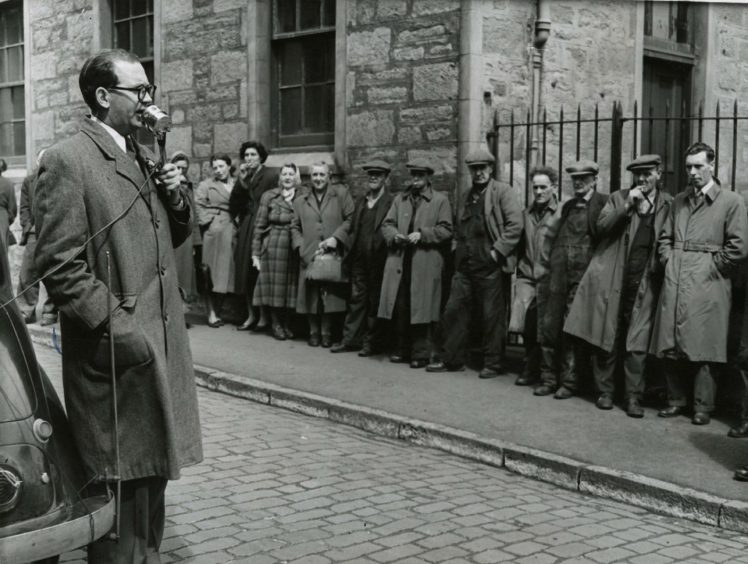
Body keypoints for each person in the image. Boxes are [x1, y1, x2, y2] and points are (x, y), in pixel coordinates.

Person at [32, 48, 202, 562]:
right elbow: (59, 266)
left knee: (151, 484)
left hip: (158, 349)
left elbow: (169, 234)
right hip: (117, 356)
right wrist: (122, 328)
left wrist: (175, 197)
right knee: (121, 493)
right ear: (104, 97)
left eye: (150, 90)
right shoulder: (69, 160)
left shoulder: (141, 152)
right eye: (140, 92)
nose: (150, 101)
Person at [564, 155, 673, 417]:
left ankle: (633, 397)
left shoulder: (668, 203)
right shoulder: (618, 197)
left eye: (647, 173)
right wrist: (627, 205)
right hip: (615, 276)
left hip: (646, 279)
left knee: (637, 342)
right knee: (608, 336)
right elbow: (601, 226)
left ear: (658, 173)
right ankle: (606, 392)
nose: (642, 179)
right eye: (638, 174)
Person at [652, 142, 748, 425]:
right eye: (688, 167)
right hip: (677, 275)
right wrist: (668, 258)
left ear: (711, 166)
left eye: (698, 166)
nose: (692, 172)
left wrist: (713, 266)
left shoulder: (731, 201)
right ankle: (675, 399)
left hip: (709, 280)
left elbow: (739, 247)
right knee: (670, 340)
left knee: (706, 343)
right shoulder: (679, 201)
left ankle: (703, 407)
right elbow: (665, 238)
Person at [427, 148, 523, 377]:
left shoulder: (503, 192)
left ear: (490, 169)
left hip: (490, 264)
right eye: (475, 169)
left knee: (492, 315)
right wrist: (456, 253)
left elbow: (515, 226)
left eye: (483, 168)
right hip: (465, 264)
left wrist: (496, 253)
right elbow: (458, 229)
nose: (479, 173)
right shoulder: (466, 196)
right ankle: (452, 359)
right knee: (454, 311)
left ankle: (493, 362)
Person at [534, 160, 608, 399]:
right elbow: (549, 238)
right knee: (549, 326)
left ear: (594, 179)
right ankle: (548, 378)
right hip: (558, 275)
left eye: (584, 178)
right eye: (575, 178)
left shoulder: (601, 205)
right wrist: (544, 268)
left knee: (571, 330)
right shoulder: (566, 208)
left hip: (584, 278)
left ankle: (569, 382)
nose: (579, 182)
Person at [379, 158, 453, 369]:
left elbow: (447, 229)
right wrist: (394, 236)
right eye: (413, 175)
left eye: (420, 175)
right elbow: (387, 224)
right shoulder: (400, 199)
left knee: (422, 308)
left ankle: (420, 353)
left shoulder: (440, 201)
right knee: (401, 305)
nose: (416, 179)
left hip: (425, 261)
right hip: (402, 260)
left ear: (428, 177)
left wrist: (422, 235)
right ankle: (402, 349)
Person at [330, 160, 394, 356]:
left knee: (375, 302)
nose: (373, 177)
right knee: (356, 299)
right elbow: (351, 226)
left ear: (385, 178)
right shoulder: (361, 201)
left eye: (378, 174)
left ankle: (371, 343)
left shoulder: (391, 202)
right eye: (371, 174)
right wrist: (336, 238)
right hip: (359, 259)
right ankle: (350, 340)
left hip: (379, 259)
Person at [291, 162, 354, 348]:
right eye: (315, 175)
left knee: (329, 293)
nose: (318, 179)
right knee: (310, 294)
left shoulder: (341, 195)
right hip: (309, 252)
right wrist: (301, 247)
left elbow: (351, 219)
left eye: (322, 175)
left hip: (331, 252)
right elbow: (294, 226)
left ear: (329, 176)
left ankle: (326, 332)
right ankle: (313, 332)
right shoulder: (300, 201)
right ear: (310, 178)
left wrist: (337, 238)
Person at [511, 166, 561, 387]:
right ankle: (530, 367)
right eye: (535, 187)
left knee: (547, 328)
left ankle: (548, 373)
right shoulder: (526, 214)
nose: (539, 191)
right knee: (527, 325)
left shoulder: (561, 212)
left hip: (550, 278)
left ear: (553, 187)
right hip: (528, 275)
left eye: (543, 187)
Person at [231, 141, 277, 331]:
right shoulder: (244, 176)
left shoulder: (270, 175)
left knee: (260, 273)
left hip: (263, 225)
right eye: (247, 155)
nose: (249, 159)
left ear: (261, 157)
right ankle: (251, 315)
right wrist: (241, 182)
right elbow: (234, 205)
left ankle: (265, 317)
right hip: (247, 226)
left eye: (253, 155)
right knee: (245, 273)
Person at [252, 163, 301, 339]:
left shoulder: (303, 196)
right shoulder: (269, 196)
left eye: (291, 174)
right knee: (274, 287)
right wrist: (255, 253)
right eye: (284, 174)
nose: (287, 177)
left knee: (289, 286)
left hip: (293, 245)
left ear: (296, 177)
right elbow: (259, 225)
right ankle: (276, 323)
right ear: (280, 177)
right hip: (273, 244)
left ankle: (287, 323)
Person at [16, 149, 59, 326]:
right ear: (36, 162)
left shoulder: (59, 179)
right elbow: (24, 207)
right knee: (27, 272)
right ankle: (26, 311)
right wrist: (27, 226)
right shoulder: (29, 181)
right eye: (40, 160)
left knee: (55, 271)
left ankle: (51, 312)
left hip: (54, 231)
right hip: (35, 231)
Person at [195, 154, 237, 327]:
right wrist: (210, 221)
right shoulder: (206, 185)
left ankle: (218, 311)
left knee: (226, 275)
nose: (218, 170)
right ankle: (211, 312)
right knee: (210, 274)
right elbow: (197, 205)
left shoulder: (236, 184)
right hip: (215, 232)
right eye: (215, 167)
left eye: (221, 166)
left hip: (233, 230)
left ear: (228, 166)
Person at [170, 151, 198, 326]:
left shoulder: (189, 186)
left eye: (184, 169)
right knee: (173, 275)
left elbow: (193, 213)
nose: (181, 171)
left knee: (185, 275)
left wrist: (196, 242)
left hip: (186, 238)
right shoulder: (167, 184)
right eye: (177, 167)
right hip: (173, 236)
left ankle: (182, 313)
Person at [0, 158, 16, 252]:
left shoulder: (8, 184)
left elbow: (12, 209)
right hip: (3, 219)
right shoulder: (9, 183)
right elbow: (12, 210)